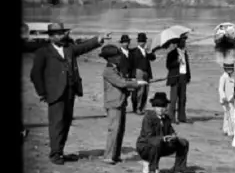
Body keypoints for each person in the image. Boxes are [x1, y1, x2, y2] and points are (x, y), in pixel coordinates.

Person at [30, 23, 109, 165]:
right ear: (52, 36)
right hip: (54, 93)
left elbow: (84, 47)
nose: (63, 36)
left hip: (70, 91)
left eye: (63, 33)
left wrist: (98, 39)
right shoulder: (43, 52)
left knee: (66, 122)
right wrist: (42, 93)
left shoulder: (69, 49)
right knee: (56, 124)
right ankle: (55, 154)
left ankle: (60, 152)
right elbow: (35, 74)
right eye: (60, 34)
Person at [100, 44, 148, 164]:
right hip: (114, 104)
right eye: (116, 56)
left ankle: (115, 155)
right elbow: (121, 83)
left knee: (120, 131)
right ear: (110, 58)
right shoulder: (108, 70)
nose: (119, 57)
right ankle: (108, 156)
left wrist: (134, 81)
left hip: (120, 102)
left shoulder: (115, 68)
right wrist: (137, 83)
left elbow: (124, 81)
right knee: (114, 130)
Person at [136, 92, 193, 173]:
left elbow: (170, 130)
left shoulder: (166, 118)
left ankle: (180, 167)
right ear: (154, 107)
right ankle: (152, 170)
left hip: (162, 145)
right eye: (158, 107)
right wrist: (162, 138)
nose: (161, 109)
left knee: (183, 142)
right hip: (145, 147)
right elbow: (148, 137)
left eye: (163, 107)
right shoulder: (148, 117)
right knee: (156, 143)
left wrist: (173, 136)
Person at [166, 35, 192, 124]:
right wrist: (177, 61)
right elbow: (168, 66)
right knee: (173, 99)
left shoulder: (185, 53)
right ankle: (171, 117)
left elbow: (187, 66)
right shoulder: (172, 53)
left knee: (183, 98)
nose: (184, 43)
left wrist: (188, 76)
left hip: (183, 77)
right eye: (182, 41)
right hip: (175, 78)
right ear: (178, 43)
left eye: (184, 41)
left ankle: (182, 117)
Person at [129, 33, 156, 114]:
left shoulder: (146, 51)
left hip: (146, 72)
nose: (142, 42)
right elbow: (131, 64)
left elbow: (153, 58)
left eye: (143, 41)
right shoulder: (133, 51)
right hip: (138, 72)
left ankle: (142, 108)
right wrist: (132, 75)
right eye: (140, 41)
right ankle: (137, 108)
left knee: (146, 91)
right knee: (140, 92)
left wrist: (150, 51)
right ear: (138, 42)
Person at [218, 63, 235, 137]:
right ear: (225, 69)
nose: (230, 70)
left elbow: (232, 88)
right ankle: (230, 131)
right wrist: (223, 97)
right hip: (225, 100)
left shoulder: (231, 78)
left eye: (231, 69)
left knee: (227, 114)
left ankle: (225, 129)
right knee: (230, 114)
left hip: (230, 99)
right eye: (228, 69)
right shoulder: (223, 77)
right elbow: (220, 88)